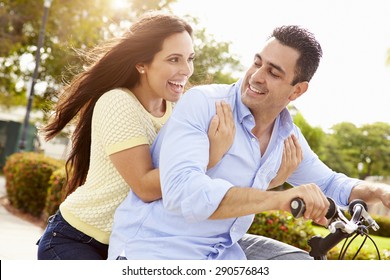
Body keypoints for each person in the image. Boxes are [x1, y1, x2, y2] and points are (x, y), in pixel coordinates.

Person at [108, 25, 390, 260]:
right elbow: (184, 192)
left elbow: (331, 184)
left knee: (302, 265)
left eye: (274, 72)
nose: (256, 76)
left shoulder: (286, 137)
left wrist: (377, 191)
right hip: (154, 251)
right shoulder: (204, 105)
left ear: (298, 90)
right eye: (257, 63)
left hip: (222, 253)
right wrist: (279, 199)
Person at [36, 11, 236, 260]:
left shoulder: (179, 108)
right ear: (142, 64)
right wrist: (210, 155)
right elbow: (144, 186)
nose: (186, 70)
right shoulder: (117, 102)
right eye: (174, 59)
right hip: (77, 240)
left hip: (131, 245)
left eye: (190, 58)